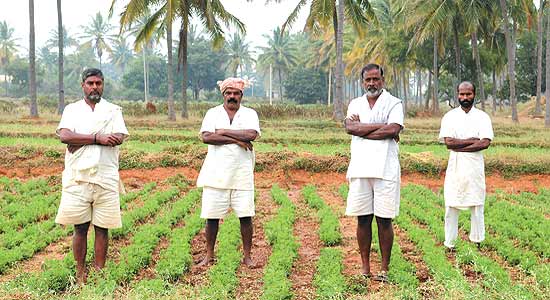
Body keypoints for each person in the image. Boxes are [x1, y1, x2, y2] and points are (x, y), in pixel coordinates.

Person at [55, 68, 129, 283]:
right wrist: (97, 138)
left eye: (98, 83)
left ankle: (99, 272)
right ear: (83, 85)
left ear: (103, 84)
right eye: (90, 83)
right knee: (79, 228)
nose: (94, 87)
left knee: (102, 229)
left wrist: (79, 141)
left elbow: (118, 137)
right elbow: (65, 136)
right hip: (78, 177)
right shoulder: (72, 109)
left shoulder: (113, 111)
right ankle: (80, 273)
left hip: (105, 176)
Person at [344, 63, 404, 282]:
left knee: (384, 220)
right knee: (362, 219)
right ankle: (365, 268)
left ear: (383, 80)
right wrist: (380, 128)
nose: (372, 83)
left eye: (375, 79)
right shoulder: (355, 103)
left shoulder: (394, 103)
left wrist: (363, 129)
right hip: (360, 168)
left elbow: (394, 129)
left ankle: (385, 269)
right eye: (368, 80)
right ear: (362, 82)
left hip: (385, 169)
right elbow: (350, 128)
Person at [196, 77, 260, 267]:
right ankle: (209, 255)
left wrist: (223, 131)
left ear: (241, 95)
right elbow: (207, 137)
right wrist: (236, 140)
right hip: (216, 174)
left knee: (246, 217)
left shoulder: (250, 114)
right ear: (223, 95)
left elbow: (252, 135)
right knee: (212, 217)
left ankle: (247, 256)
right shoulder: (212, 113)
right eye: (228, 93)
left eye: (236, 93)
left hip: (242, 173)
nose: (232, 96)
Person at [439, 81, 493, 250]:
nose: (465, 97)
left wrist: (459, 144)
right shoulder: (450, 117)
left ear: (474, 95)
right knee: (451, 205)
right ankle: (450, 243)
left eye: (468, 94)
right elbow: (448, 143)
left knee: (477, 204)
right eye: (462, 94)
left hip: (475, 167)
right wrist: (472, 140)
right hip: (455, 165)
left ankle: (477, 241)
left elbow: (485, 143)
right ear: (457, 95)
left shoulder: (482, 117)